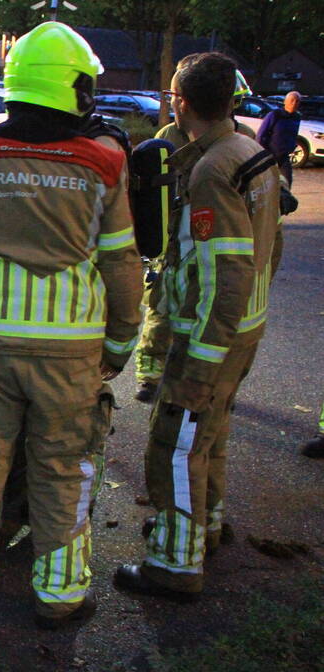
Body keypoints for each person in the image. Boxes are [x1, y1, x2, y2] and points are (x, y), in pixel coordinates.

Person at [0, 21, 142, 629]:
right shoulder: (105, 162)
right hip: (73, 351)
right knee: (64, 464)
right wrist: (121, 341)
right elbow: (121, 260)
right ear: (76, 89)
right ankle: (61, 592)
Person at [115, 53, 281, 601]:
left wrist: (201, 361)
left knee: (174, 447)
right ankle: (203, 531)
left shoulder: (212, 171)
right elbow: (268, 252)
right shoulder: (250, 151)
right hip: (243, 332)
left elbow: (225, 271)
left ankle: (174, 565)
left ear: (181, 102)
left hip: (209, 338)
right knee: (209, 439)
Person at [133, 68, 258, 404]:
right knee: (160, 308)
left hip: (211, 231)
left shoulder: (240, 138)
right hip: (175, 233)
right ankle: (149, 374)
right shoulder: (170, 135)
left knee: (203, 303)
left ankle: (195, 375)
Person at [256, 90, 301, 187]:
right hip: (270, 155)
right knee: (267, 184)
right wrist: (264, 153)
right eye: (292, 100)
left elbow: (294, 135)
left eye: (297, 101)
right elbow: (260, 135)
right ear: (285, 101)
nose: (294, 103)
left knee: (287, 182)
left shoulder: (297, 117)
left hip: (284, 157)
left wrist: (292, 146)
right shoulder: (275, 115)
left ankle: (283, 201)